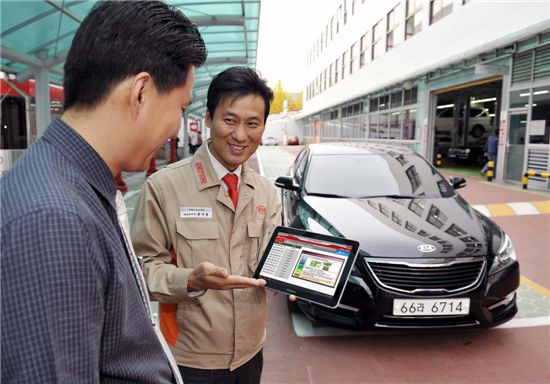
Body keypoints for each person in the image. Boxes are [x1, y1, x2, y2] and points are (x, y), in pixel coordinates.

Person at [0, 2, 208, 382]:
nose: (177, 127)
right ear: (141, 93)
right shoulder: (55, 220)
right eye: (180, 106)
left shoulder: (73, 182)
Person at [131, 66, 281, 384]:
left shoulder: (267, 192)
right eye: (230, 120)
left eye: (252, 123)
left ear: (263, 127)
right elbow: (141, 273)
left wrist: (300, 281)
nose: (241, 135)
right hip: (191, 360)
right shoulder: (163, 187)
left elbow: (273, 260)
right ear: (209, 119)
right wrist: (191, 279)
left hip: (251, 354)